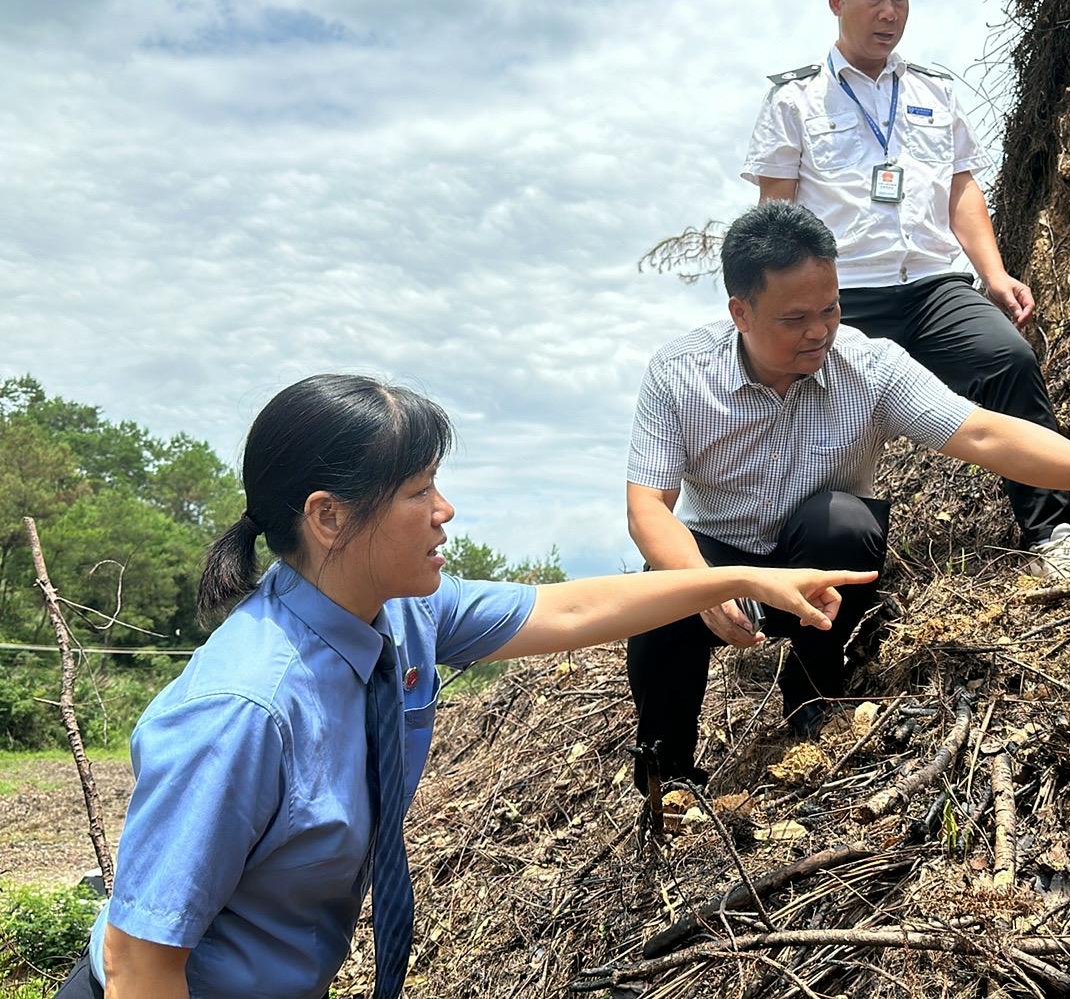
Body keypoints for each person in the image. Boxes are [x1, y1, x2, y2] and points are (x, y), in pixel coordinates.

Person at [59, 374, 874, 999]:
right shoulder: (244, 711)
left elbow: (575, 605)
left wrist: (738, 579)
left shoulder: (402, 614)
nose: (446, 510)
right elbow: (139, 963)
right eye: (419, 491)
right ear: (328, 517)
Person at [625, 201, 1070, 784]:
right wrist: (704, 585)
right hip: (720, 558)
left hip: (814, 565)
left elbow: (988, 434)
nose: (819, 332)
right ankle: (669, 774)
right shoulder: (680, 375)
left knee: (842, 523)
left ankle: (814, 698)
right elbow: (648, 509)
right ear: (741, 312)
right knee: (659, 593)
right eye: (794, 318)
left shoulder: (870, 366)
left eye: (830, 309)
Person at [742, 0, 1070, 581]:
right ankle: (808, 577)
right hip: (844, 303)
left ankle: (1052, 535)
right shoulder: (794, 102)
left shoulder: (936, 91)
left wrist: (994, 273)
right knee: (825, 433)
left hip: (933, 288)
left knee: (1007, 360)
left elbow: (961, 190)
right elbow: (773, 216)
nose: (889, 11)